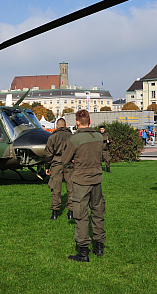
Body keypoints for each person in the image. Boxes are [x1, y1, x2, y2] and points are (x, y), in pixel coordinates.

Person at [62, 110, 105, 262]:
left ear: (77, 122)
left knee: (81, 216)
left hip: (81, 181)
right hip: (97, 179)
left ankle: (83, 252)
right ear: (90, 121)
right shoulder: (99, 137)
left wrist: (75, 159)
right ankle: (99, 247)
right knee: (98, 213)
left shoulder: (75, 139)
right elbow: (100, 155)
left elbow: (65, 159)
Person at [44, 118, 73, 220]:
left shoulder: (52, 137)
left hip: (56, 162)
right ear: (65, 125)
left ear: (56, 126)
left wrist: (47, 166)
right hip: (69, 162)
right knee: (71, 187)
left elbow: (48, 153)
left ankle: (55, 212)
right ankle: (71, 212)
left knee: (55, 187)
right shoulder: (71, 136)